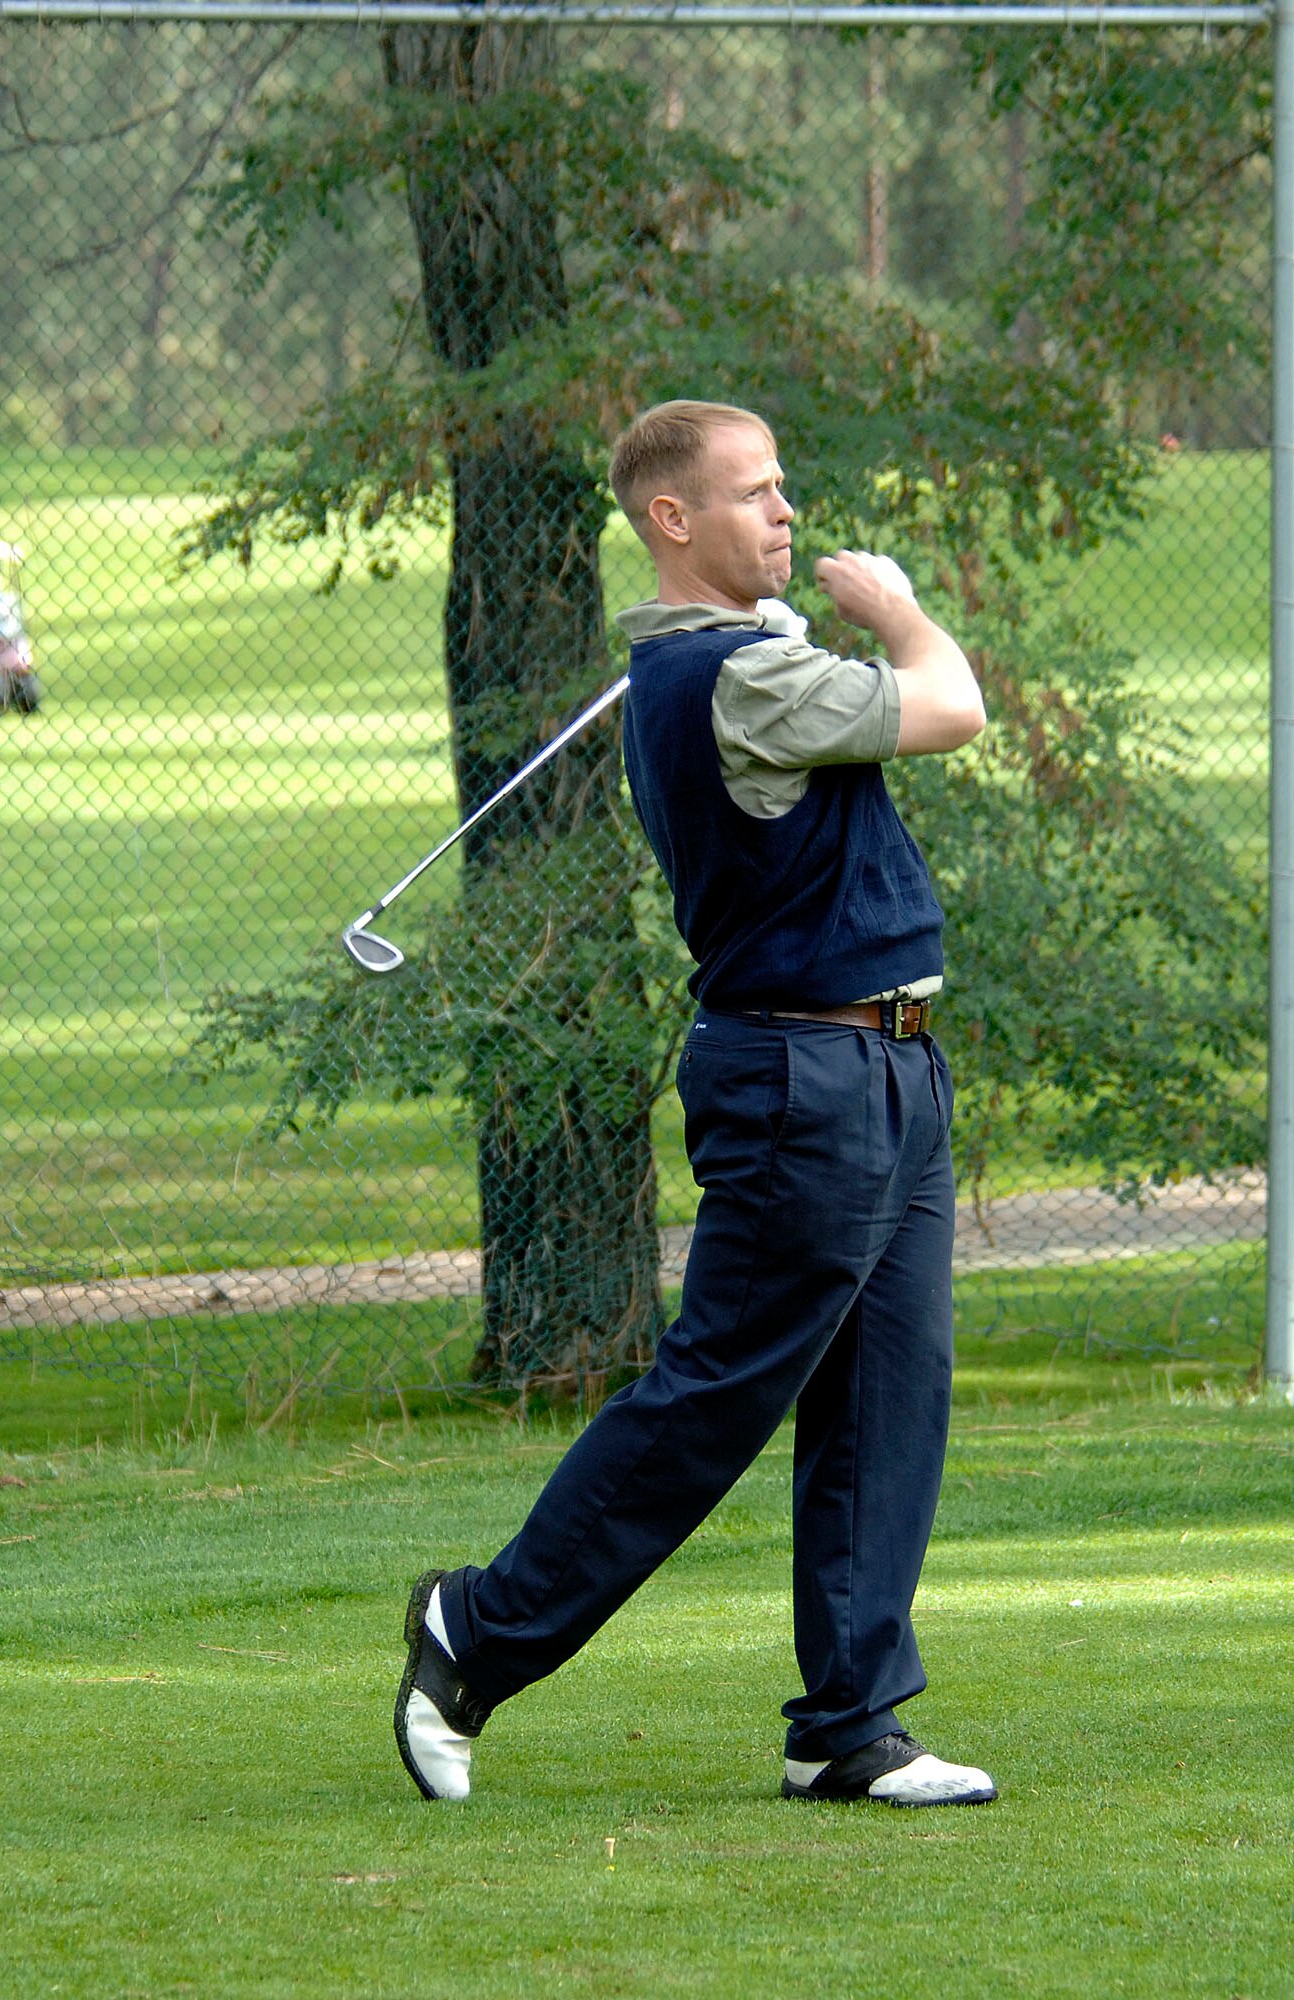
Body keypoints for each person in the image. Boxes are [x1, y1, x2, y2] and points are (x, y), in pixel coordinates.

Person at [396, 399, 995, 1809]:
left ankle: (848, 1726)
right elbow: (954, 702)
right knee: (715, 1397)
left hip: (890, 1062)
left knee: (884, 1398)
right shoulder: (736, 681)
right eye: (757, 493)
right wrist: (897, 611)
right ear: (674, 521)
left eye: (784, 489)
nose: (788, 513)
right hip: (809, 1077)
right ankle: (471, 1635)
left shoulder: (735, 666)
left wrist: (799, 622)